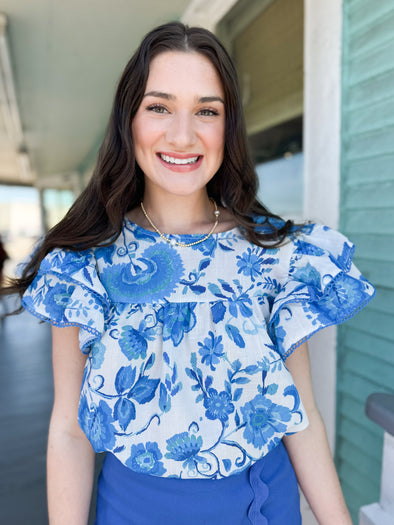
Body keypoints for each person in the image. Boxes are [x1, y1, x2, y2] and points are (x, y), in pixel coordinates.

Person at [4, 22, 375, 525]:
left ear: (228, 126)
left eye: (207, 110)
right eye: (159, 106)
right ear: (129, 121)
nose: (183, 134)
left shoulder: (271, 250)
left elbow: (300, 417)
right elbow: (70, 430)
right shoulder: (85, 262)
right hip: (139, 510)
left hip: (266, 503)